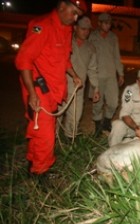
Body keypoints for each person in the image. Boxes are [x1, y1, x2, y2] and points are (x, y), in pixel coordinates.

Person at [14, 0, 87, 175]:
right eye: (74, 12)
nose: (75, 18)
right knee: (46, 134)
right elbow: (23, 61)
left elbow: (64, 59)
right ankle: (41, 172)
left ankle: (33, 162)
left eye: (78, 15)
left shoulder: (66, 29)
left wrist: (74, 75)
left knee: (38, 128)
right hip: (38, 88)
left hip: (53, 88)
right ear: (62, 6)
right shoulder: (42, 26)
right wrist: (32, 94)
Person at [58, 15, 100, 139]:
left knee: (75, 115)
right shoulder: (65, 41)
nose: (86, 32)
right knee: (57, 115)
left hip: (78, 88)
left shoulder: (91, 48)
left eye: (88, 30)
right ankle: (53, 139)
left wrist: (96, 88)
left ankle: (69, 140)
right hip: (61, 86)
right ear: (75, 28)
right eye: (83, 29)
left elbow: (92, 69)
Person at [89, 12, 125, 136]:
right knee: (97, 103)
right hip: (97, 75)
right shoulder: (92, 37)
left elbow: (117, 57)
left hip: (110, 75)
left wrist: (120, 73)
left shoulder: (113, 38)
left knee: (114, 102)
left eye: (109, 23)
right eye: (105, 23)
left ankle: (107, 121)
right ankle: (98, 126)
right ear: (99, 23)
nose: (107, 25)